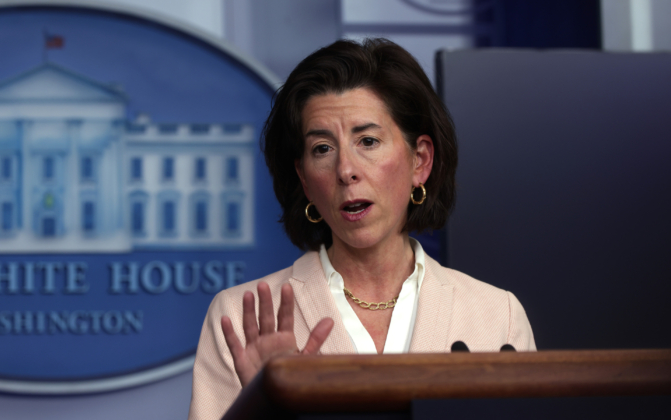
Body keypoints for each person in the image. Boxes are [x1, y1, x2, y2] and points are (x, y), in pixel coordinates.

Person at [188, 38, 535, 419]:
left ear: (420, 161)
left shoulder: (495, 314)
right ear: (304, 179)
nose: (345, 170)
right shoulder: (240, 318)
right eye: (322, 148)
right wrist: (264, 408)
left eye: (367, 141)